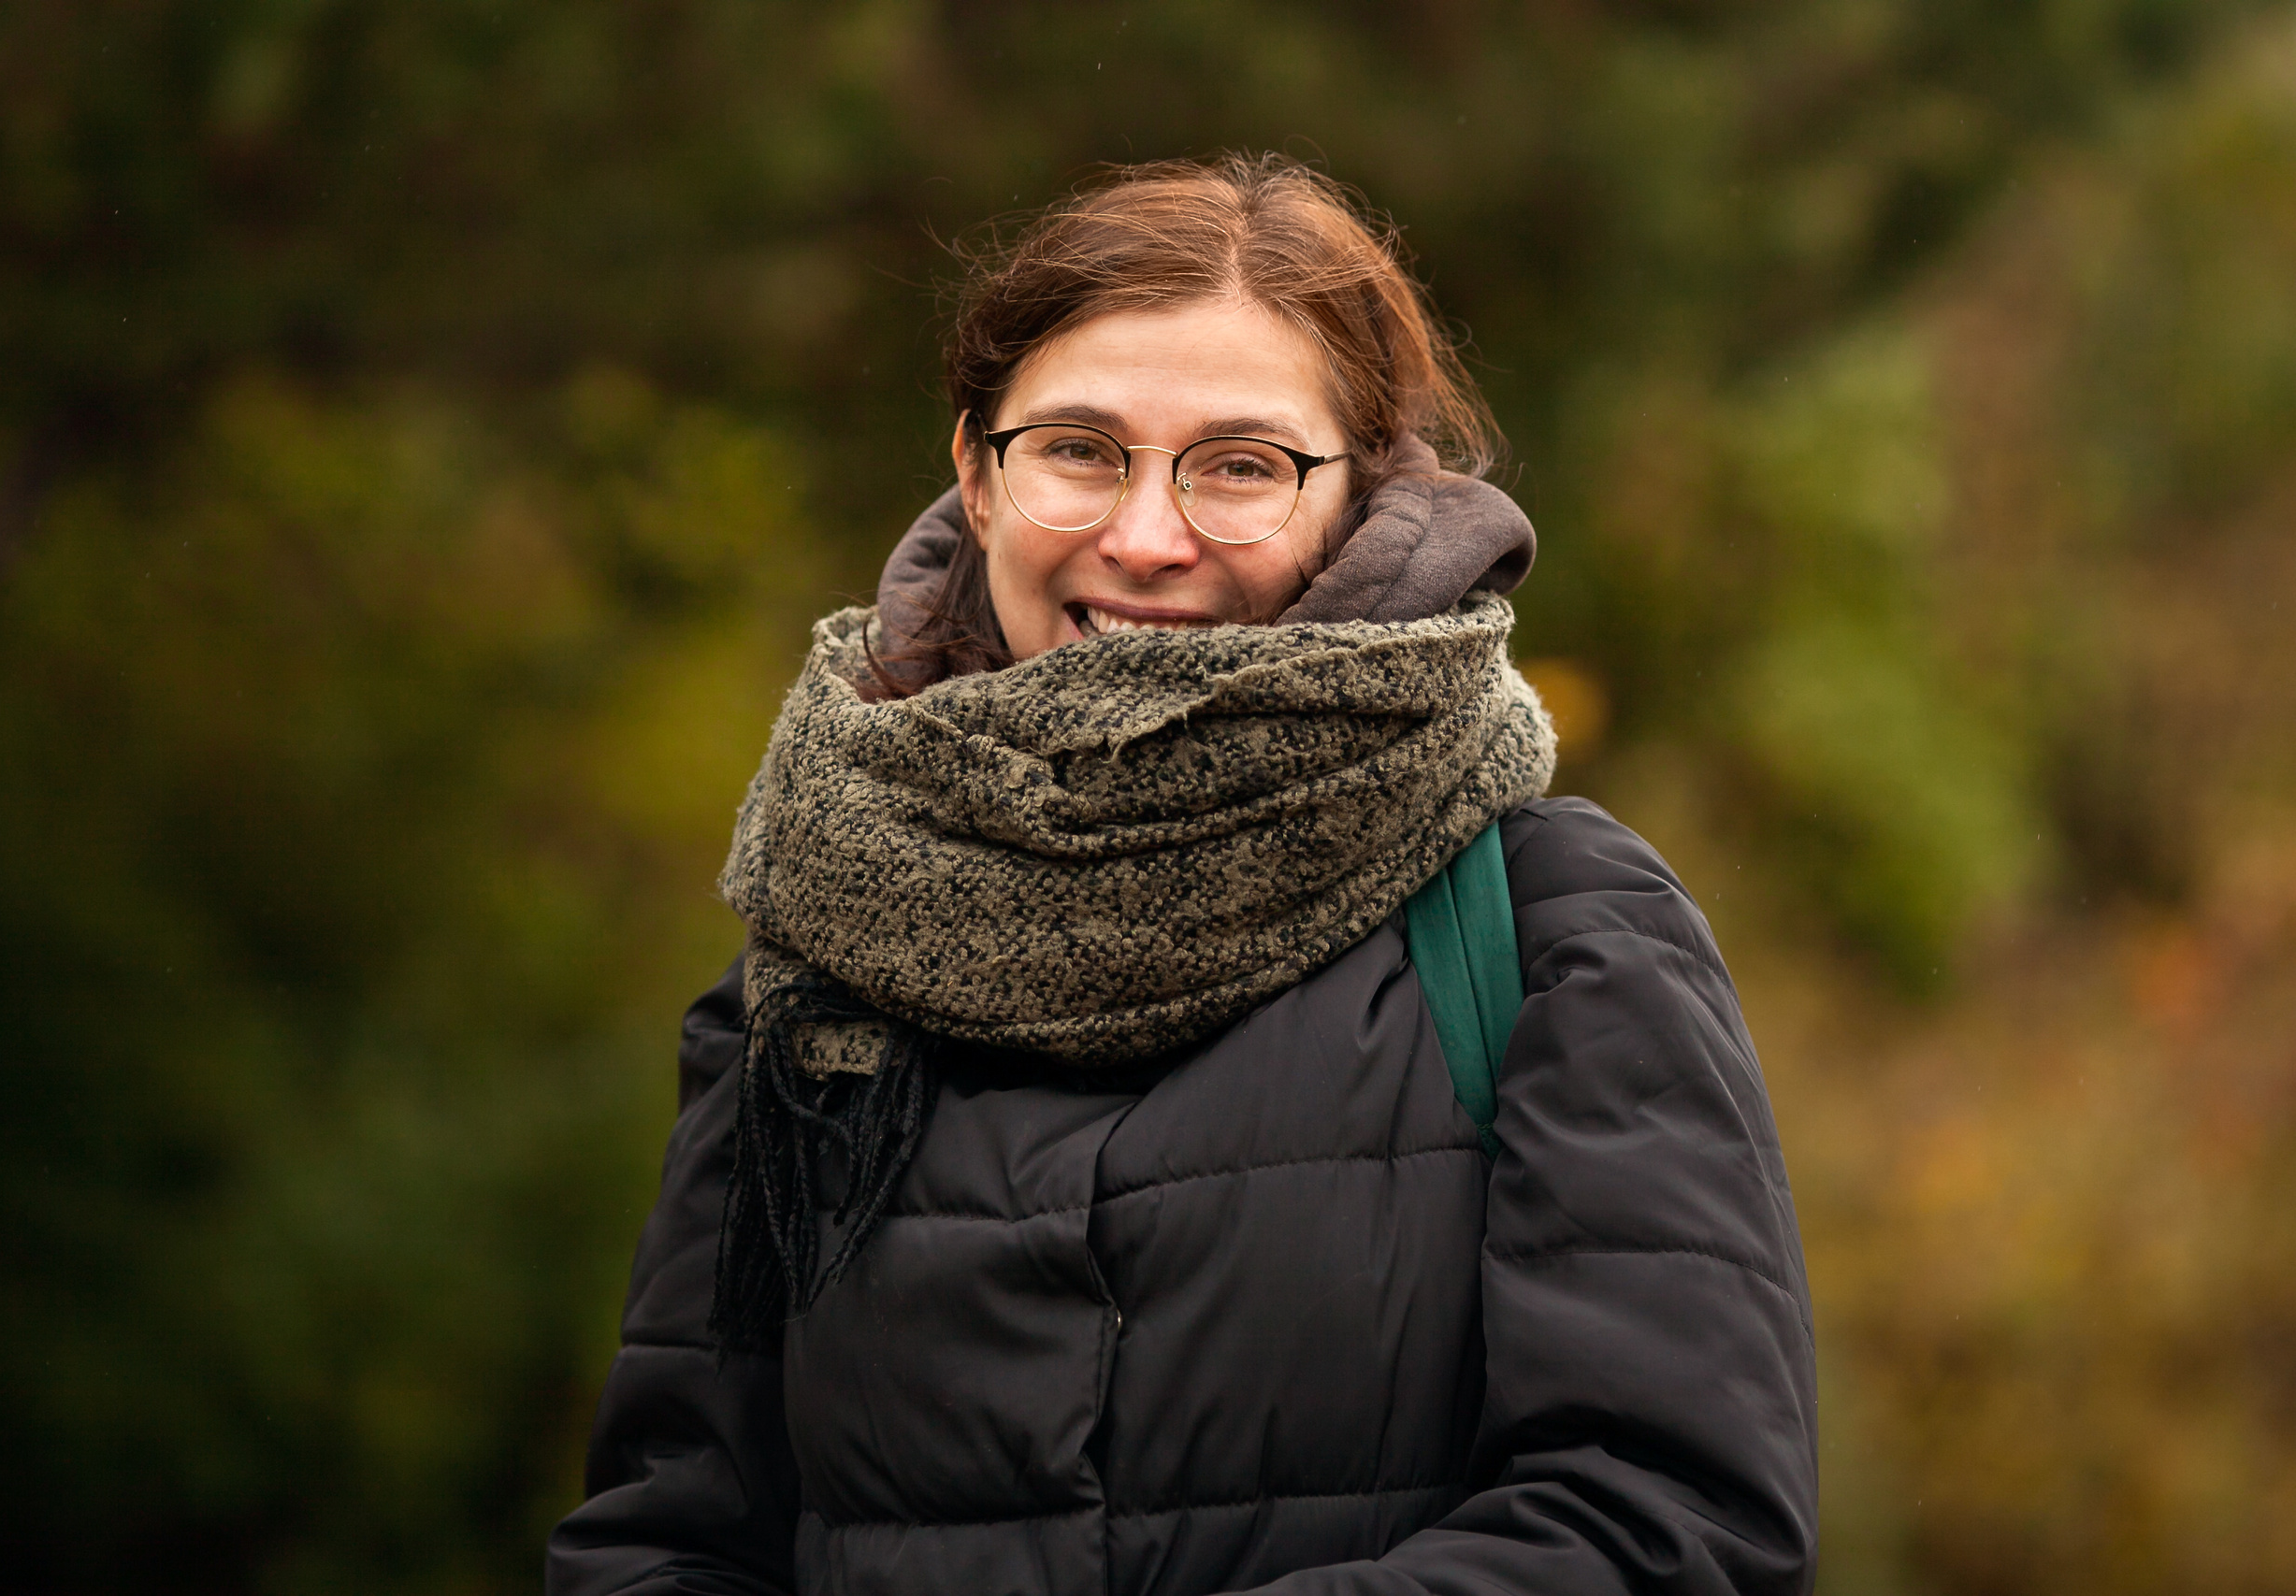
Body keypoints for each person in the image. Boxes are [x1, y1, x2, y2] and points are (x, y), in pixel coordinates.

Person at [548, 153, 1816, 1596]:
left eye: (1241, 467)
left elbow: (1673, 1528)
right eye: (1080, 449)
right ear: (976, 474)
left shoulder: (1554, 934)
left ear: (1363, 506)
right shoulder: (817, 962)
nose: (1145, 540)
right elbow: (667, 1543)